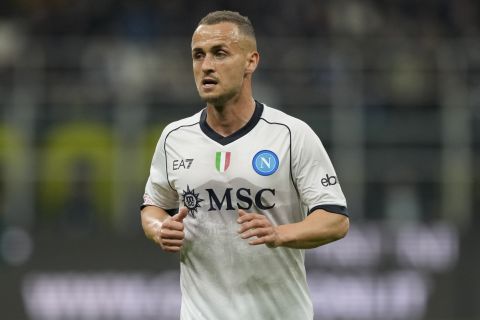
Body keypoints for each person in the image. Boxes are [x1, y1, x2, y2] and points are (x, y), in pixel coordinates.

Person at [141, 10, 349, 320]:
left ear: (251, 61)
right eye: (198, 56)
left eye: (220, 53)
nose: (206, 66)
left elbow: (335, 219)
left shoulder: (291, 135)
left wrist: (281, 233)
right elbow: (153, 206)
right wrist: (160, 229)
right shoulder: (174, 137)